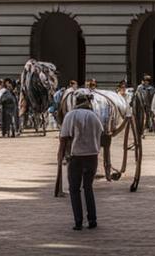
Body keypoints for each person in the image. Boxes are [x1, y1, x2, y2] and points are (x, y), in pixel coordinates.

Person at [59, 92, 104, 231]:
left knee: (74, 189)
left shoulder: (70, 116)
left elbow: (64, 138)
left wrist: (60, 154)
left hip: (76, 156)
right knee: (88, 187)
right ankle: (92, 220)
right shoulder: (94, 116)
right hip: (91, 156)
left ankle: (78, 221)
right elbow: (100, 133)